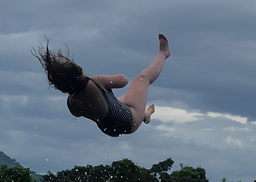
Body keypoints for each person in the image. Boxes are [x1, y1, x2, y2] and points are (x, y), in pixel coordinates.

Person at [34, 34, 170, 138]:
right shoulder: (96, 82)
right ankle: (163, 54)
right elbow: (123, 80)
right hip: (130, 121)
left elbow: (79, 112)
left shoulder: (72, 102)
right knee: (141, 79)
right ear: (78, 70)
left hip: (109, 129)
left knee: (123, 99)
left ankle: (145, 115)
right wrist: (105, 84)